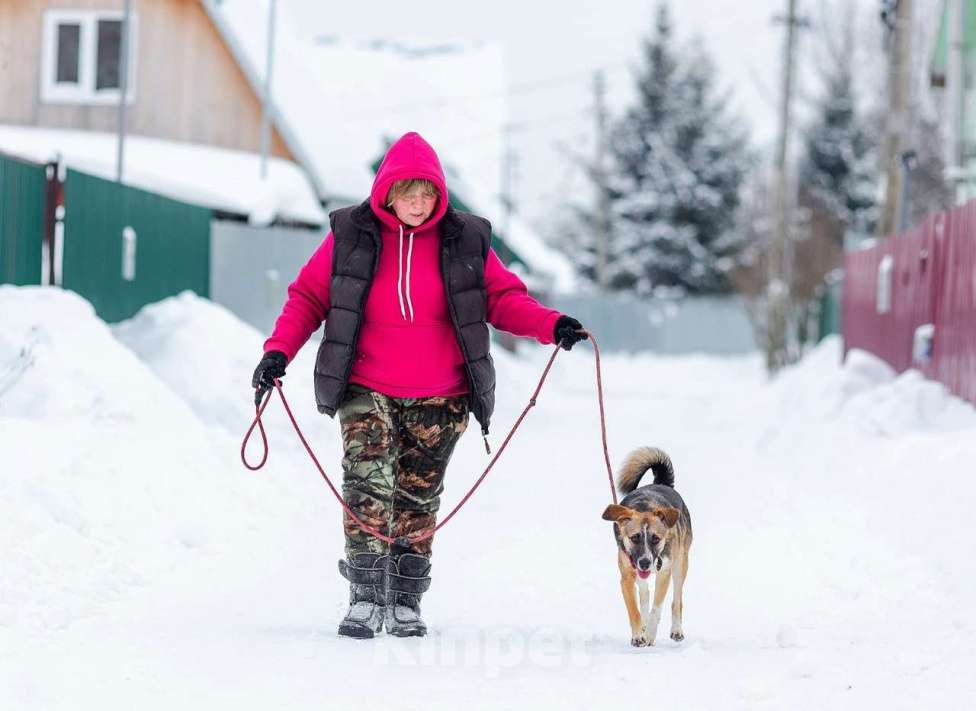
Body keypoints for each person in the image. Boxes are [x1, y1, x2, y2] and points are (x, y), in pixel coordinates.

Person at [251, 131, 587, 639]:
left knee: (416, 495)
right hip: (366, 384)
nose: (418, 202)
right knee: (368, 484)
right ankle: (365, 597)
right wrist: (277, 352)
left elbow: (503, 298)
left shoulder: (465, 239)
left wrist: (551, 324)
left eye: (428, 193)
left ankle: (405, 599)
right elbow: (309, 298)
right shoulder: (351, 235)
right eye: (409, 191)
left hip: (442, 393)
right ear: (387, 190)